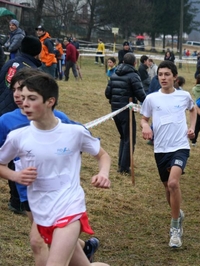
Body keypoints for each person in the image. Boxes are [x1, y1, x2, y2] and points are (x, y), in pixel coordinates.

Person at [0, 72, 111, 266]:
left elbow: (103, 155)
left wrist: (103, 173)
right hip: (40, 211)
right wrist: (15, 175)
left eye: (31, 98)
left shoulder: (74, 132)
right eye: (22, 97)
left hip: (69, 208)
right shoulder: (18, 136)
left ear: (50, 101)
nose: (24, 103)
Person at [140, 60, 196, 248]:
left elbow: (193, 109)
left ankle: (174, 230)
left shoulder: (184, 96)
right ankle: (177, 213)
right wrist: (146, 126)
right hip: (161, 149)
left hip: (180, 146)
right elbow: (143, 118)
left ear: (174, 77)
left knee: (173, 183)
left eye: (167, 74)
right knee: (167, 188)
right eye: (160, 75)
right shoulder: (152, 98)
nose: (163, 78)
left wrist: (192, 127)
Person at [0, 35, 42, 215]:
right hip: (18, 118)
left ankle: (17, 199)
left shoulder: (10, 63)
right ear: (38, 52)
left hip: (3, 111)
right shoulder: (32, 72)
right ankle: (18, 200)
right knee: (17, 159)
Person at [105, 53, 146, 174]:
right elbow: (141, 95)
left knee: (124, 137)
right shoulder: (133, 75)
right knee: (129, 139)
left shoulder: (114, 73)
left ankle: (121, 164)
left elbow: (107, 93)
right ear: (134, 63)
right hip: (126, 111)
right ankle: (123, 167)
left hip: (115, 110)